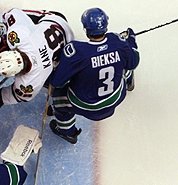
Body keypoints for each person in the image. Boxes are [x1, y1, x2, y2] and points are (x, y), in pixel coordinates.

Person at [48, 7, 140, 144]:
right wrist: (131, 40)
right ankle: (129, 81)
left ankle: (67, 132)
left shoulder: (77, 51)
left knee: (58, 100)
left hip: (86, 105)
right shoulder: (118, 42)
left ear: (85, 29)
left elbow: (57, 81)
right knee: (125, 65)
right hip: (115, 97)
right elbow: (133, 62)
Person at [0, 8, 75, 111]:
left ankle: (2, 36)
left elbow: (9, 14)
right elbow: (11, 12)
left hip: (65, 38)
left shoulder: (31, 80)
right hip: (58, 23)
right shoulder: (18, 36)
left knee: (53, 78)